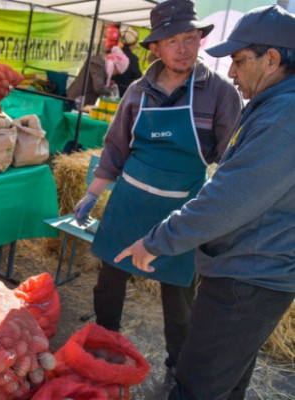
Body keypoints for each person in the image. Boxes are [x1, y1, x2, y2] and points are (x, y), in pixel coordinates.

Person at [114, 5, 295, 399]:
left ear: (272, 59)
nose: (231, 71)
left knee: (195, 386)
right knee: (225, 386)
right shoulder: (272, 105)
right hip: (250, 268)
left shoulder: (284, 115)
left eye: (239, 60)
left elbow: (228, 198)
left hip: (248, 278)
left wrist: (157, 241)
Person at [73, 0, 243, 379]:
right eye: (172, 41)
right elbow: (116, 148)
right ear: (155, 48)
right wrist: (92, 193)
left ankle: (177, 367)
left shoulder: (220, 94)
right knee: (108, 285)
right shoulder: (138, 91)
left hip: (181, 210)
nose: (183, 49)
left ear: (200, 40)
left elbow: (232, 160)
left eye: (190, 38)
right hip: (130, 202)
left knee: (178, 297)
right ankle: (105, 348)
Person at [114, 27, 143, 97]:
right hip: (123, 94)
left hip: (110, 92)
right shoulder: (132, 58)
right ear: (133, 44)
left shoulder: (114, 54)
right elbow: (138, 76)